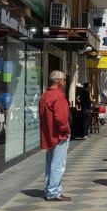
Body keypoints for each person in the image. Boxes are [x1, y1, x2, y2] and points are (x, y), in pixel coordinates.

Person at [40, 70, 71, 201]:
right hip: (59, 135)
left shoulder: (45, 95)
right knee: (58, 164)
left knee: (50, 163)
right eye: (63, 80)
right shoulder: (58, 96)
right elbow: (61, 117)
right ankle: (53, 192)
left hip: (49, 134)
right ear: (58, 81)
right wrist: (66, 129)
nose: (64, 83)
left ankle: (49, 189)